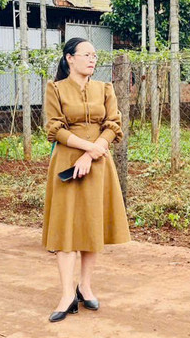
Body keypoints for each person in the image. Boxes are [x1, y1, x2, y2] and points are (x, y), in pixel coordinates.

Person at [42, 38, 130, 322]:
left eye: (95, 55)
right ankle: (67, 293)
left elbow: (113, 125)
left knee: (91, 226)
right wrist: (86, 147)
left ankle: (85, 286)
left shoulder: (105, 89)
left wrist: (92, 154)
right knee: (65, 228)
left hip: (97, 163)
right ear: (70, 58)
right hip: (67, 161)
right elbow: (54, 128)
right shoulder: (55, 89)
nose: (92, 59)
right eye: (86, 54)